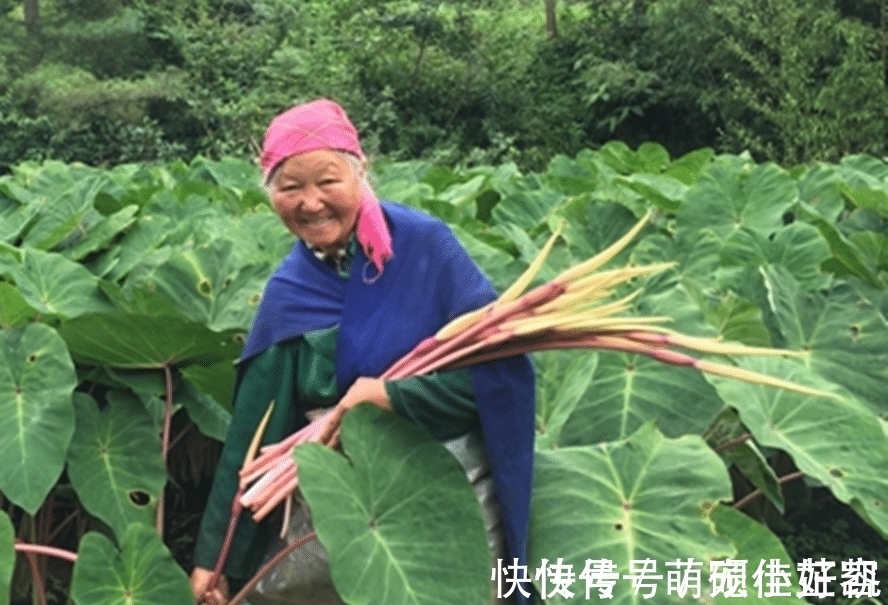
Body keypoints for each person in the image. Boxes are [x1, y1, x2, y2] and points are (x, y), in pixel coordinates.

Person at [189, 99, 535, 605]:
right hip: (344, 508)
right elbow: (253, 430)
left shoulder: (425, 249)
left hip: (448, 493)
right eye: (290, 187)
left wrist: (393, 397)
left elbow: (500, 373)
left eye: (327, 181)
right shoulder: (289, 292)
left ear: (361, 172)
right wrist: (216, 560)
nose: (310, 203)